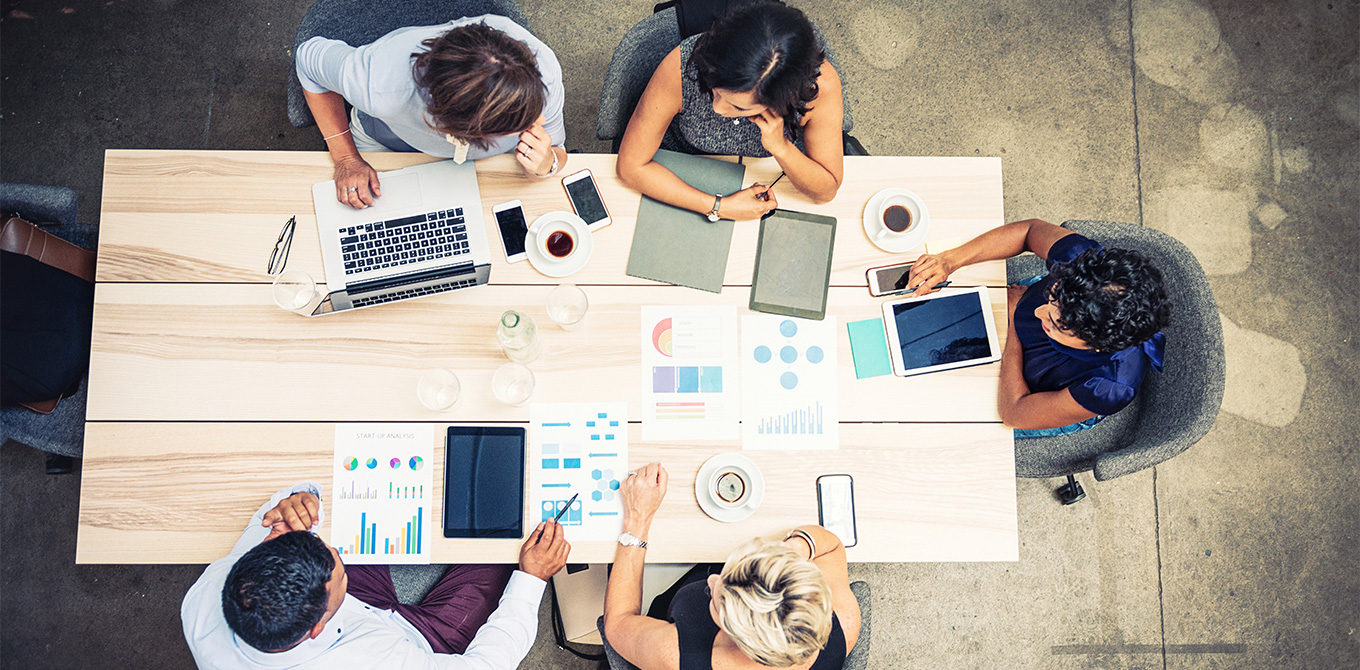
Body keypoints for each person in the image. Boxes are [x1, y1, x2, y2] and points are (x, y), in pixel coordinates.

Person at [182, 482, 570, 669]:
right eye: (339, 572)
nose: (337, 551)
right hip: (411, 641)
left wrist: (300, 499)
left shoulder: (215, 588)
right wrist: (532, 579)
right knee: (503, 542)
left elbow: (272, 512)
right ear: (317, 628)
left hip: (354, 610)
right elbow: (488, 666)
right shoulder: (371, 662)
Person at [905, 218, 1172, 437]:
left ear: (1098, 346)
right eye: (1052, 294)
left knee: (943, 419)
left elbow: (1014, 412)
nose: (1038, 311)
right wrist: (950, 261)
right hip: (1014, 311)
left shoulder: (1108, 386)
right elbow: (1029, 231)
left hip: (1037, 397)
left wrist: (1012, 324)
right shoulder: (1082, 266)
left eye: (1059, 323)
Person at [603, 463, 861, 669]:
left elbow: (617, 624)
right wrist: (794, 549)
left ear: (741, 642)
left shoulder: (677, 655)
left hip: (664, 609)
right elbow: (832, 546)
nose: (713, 579)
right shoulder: (844, 624)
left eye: (717, 602)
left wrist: (638, 518)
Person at [296, 15, 568, 210]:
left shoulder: (542, 73)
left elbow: (557, 148)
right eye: (514, 124)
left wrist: (547, 164)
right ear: (460, 129)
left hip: (487, 165)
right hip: (388, 141)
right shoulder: (377, 84)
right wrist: (345, 158)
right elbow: (308, 59)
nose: (540, 121)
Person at [617, 0, 845, 222]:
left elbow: (825, 192)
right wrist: (719, 207)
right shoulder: (682, 65)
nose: (717, 108)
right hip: (683, 165)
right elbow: (630, 166)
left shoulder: (819, 88)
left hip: (769, 176)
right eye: (715, 90)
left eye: (738, 106)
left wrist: (781, 147)